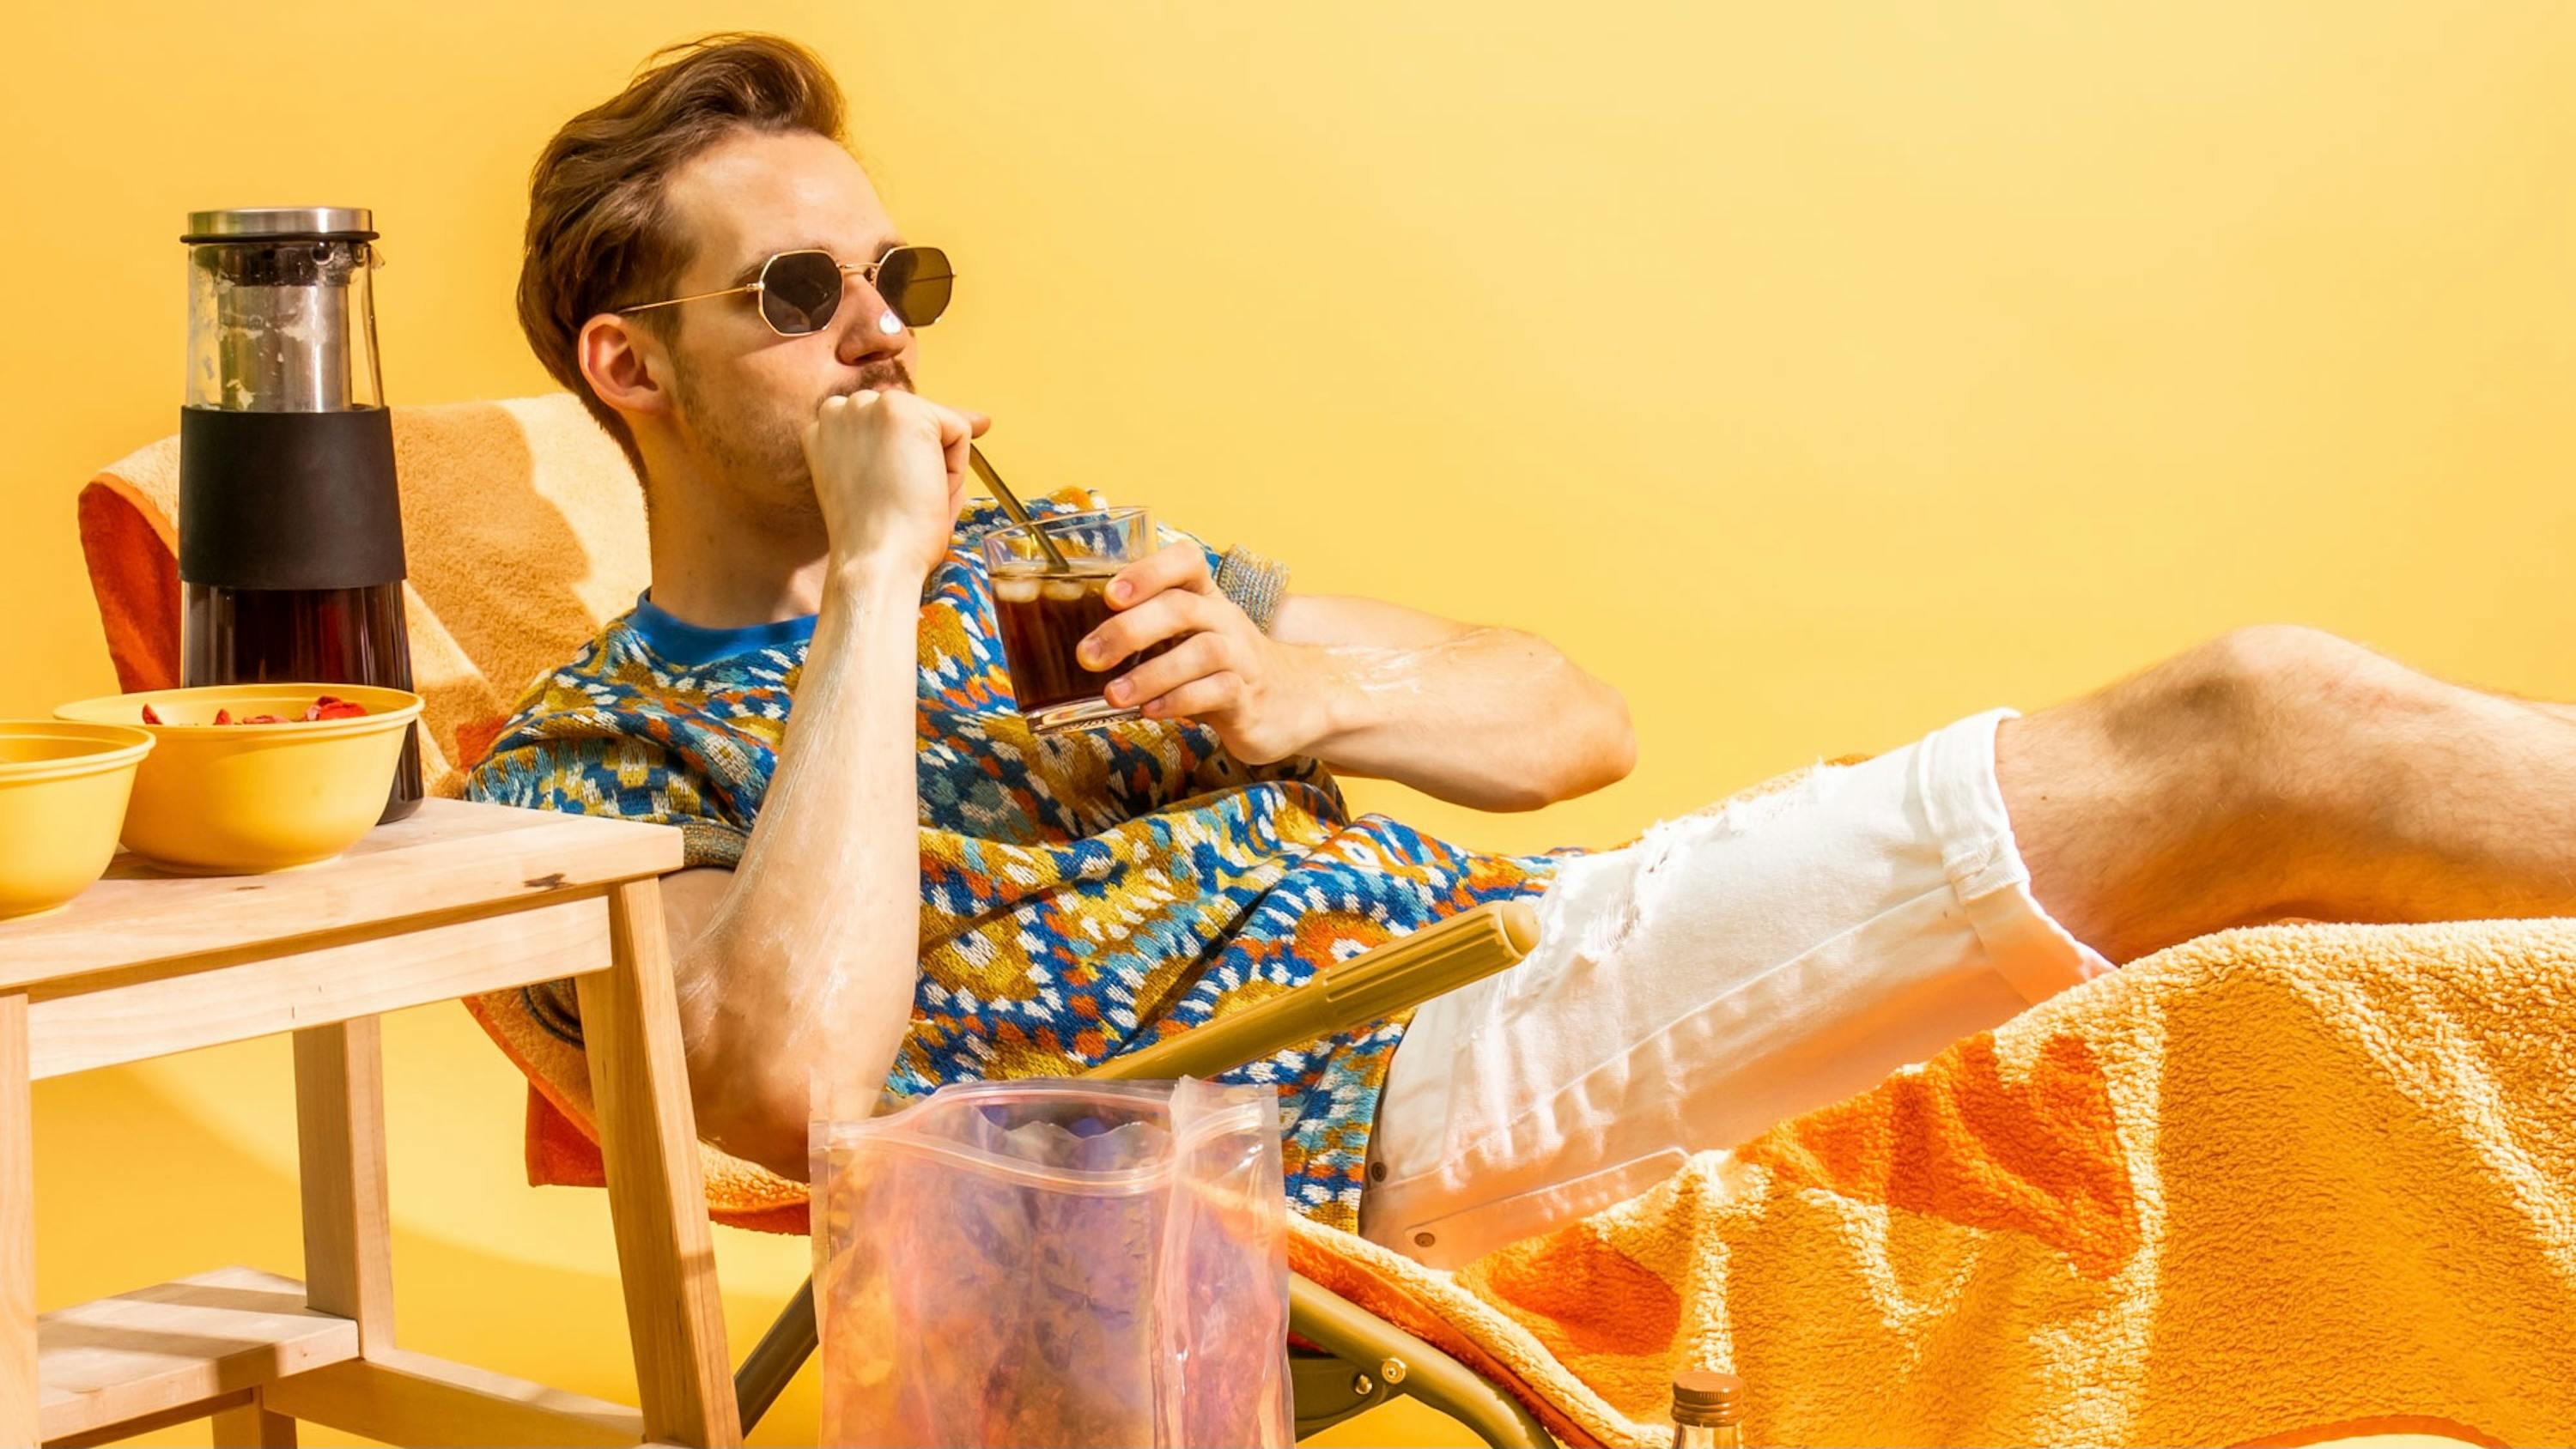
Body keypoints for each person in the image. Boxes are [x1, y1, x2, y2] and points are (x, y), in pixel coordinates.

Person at [471, 33, 2576, 1267]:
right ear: (627, 366)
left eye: (896, 267)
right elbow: (784, 1082)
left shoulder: (1082, 558)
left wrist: (1311, 694)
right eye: (801, 291)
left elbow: (1575, 717)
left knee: (2308, 914)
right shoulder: (583, 763)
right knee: (2260, 724)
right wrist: (879, 596)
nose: (885, 328)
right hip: (1382, 1105)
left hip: (1548, 942)